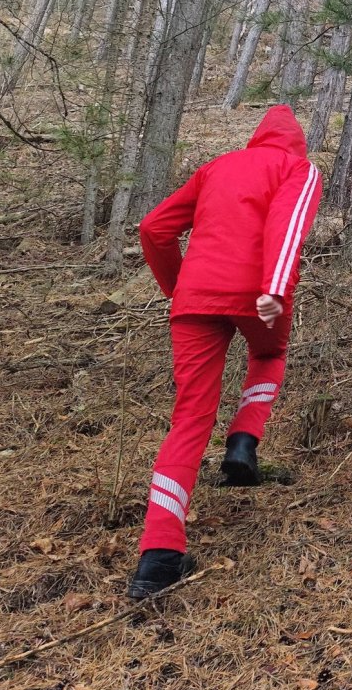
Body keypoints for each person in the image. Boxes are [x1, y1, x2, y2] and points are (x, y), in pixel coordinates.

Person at [127, 105, 322, 598]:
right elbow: (286, 224)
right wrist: (275, 288)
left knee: (189, 419)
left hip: (194, 298)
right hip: (256, 295)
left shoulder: (216, 167)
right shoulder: (297, 168)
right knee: (269, 356)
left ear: (257, 137)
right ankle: (243, 440)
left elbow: (153, 228)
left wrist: (179, 288)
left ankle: (158, 557)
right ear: (296, 142)